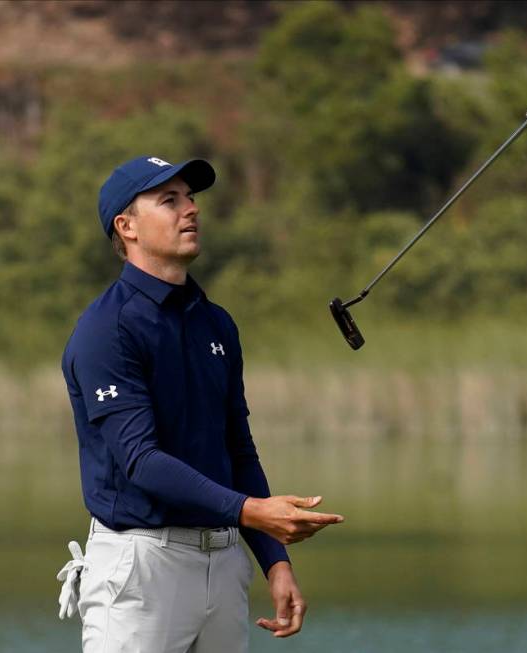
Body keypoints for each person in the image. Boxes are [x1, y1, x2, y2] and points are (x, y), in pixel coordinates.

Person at [56, 155, 344, 653]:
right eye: (169, 200)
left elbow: (239, 450)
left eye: (190, 198)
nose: (190, 210)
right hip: (142, 570)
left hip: (224, 564)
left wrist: (274, 561)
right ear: (126, 227)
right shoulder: (107, 330)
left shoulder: (216, 324)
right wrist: (254, 512)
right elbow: (141, 462)